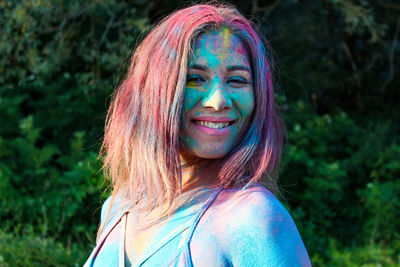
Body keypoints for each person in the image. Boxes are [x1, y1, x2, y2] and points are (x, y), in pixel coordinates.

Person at [85, 3, 311, 267]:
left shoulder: (252, 219)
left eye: (237, 80)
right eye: (195, 79)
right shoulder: (119, 207)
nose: (217, 100)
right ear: (154, 89)